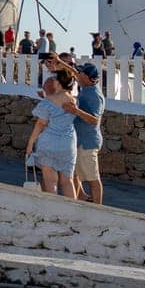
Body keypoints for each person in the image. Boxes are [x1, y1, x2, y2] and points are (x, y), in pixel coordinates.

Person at [48, 58, 106, 204]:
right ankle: (82, 200)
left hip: (87, 143)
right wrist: (60, 62)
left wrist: (76, 111)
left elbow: (94, 120)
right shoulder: (86, 87)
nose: (77, 75)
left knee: (93, 179)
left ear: (87, 77)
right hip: (79, 141)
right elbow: (75, 73)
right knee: (73, 175)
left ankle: (98, 210)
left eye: (80, 74)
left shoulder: (95, 96)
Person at [25, 71, 79, 199]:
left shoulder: (48, 101)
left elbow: (41, 123)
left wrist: (31, 142)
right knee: (67, 181)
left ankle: (54, 213)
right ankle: (73, 213)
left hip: (49, 142)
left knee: (51, 181)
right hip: (68, 143)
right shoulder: (74, 101)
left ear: (58, 83)